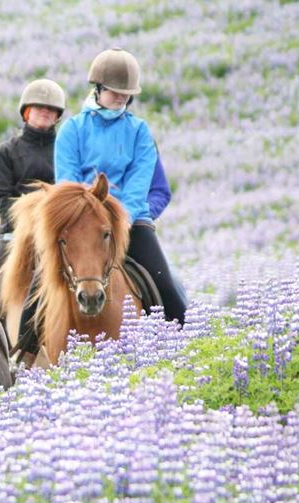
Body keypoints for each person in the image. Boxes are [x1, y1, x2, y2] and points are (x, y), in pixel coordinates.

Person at [54, 47, 187, 325]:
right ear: (98, 89)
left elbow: (139, 184)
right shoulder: (72, 130)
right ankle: (21, 350)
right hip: (80, 223)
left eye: (126, 94)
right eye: (115, 91)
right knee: (35, 286)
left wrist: (119, 219)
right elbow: (67, 184)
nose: (121, 98)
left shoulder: (139, 131)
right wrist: (89, 215)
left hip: (130, 222)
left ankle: (184, 340)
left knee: (168, 290)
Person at [0, 79, 66, 311]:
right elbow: (2, 200)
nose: (45, 112)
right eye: (39, 107)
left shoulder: (66, 149)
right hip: (14, 233)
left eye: (51, 108)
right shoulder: (7, 152)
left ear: (57, 116)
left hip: (59, 231)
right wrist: (29, 223)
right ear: (26, 112)